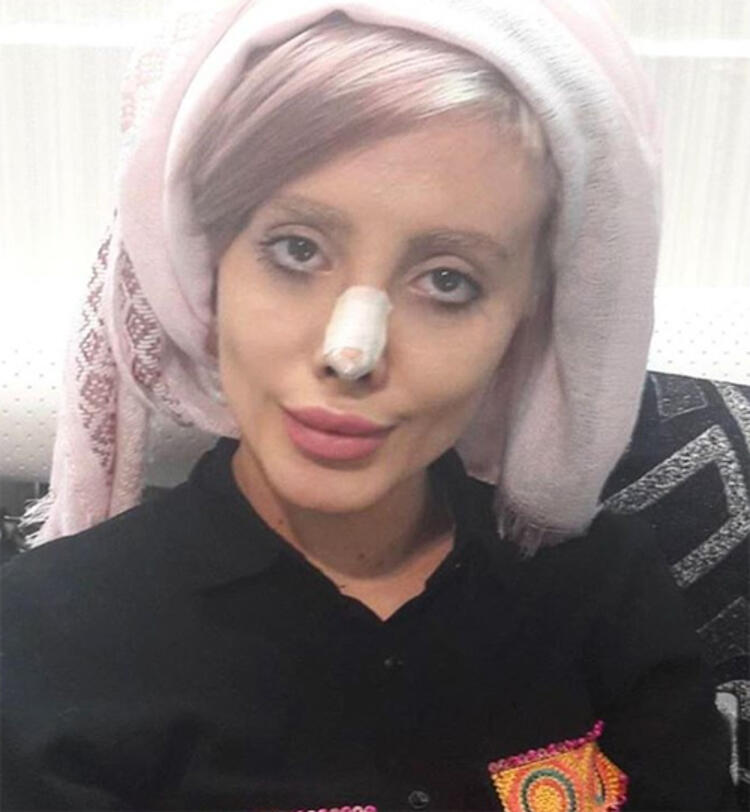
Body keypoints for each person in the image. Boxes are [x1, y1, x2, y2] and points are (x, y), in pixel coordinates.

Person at [1, 0, 738, 810]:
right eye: (296, 250)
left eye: (447, 281)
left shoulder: (603, 592)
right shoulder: (47, 641)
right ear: (210, 273)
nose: (349, 355)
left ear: (525, 318)